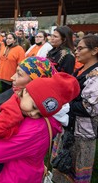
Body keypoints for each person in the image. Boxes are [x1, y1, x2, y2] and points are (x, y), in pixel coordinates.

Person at [0, 72, 80, 183]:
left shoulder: (36, 127)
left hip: (12, 177)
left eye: (39, 113)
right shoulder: (26, 107)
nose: (34, 114)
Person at [52, 34, 98, 183]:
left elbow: (89, 108)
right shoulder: (82, 69)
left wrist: (63, 104)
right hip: (71, 125)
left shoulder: (96, 76)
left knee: (76, 167)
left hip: (82, 132)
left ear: (94, 50)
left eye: (80, 48)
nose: (76, 52)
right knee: (63, 164)